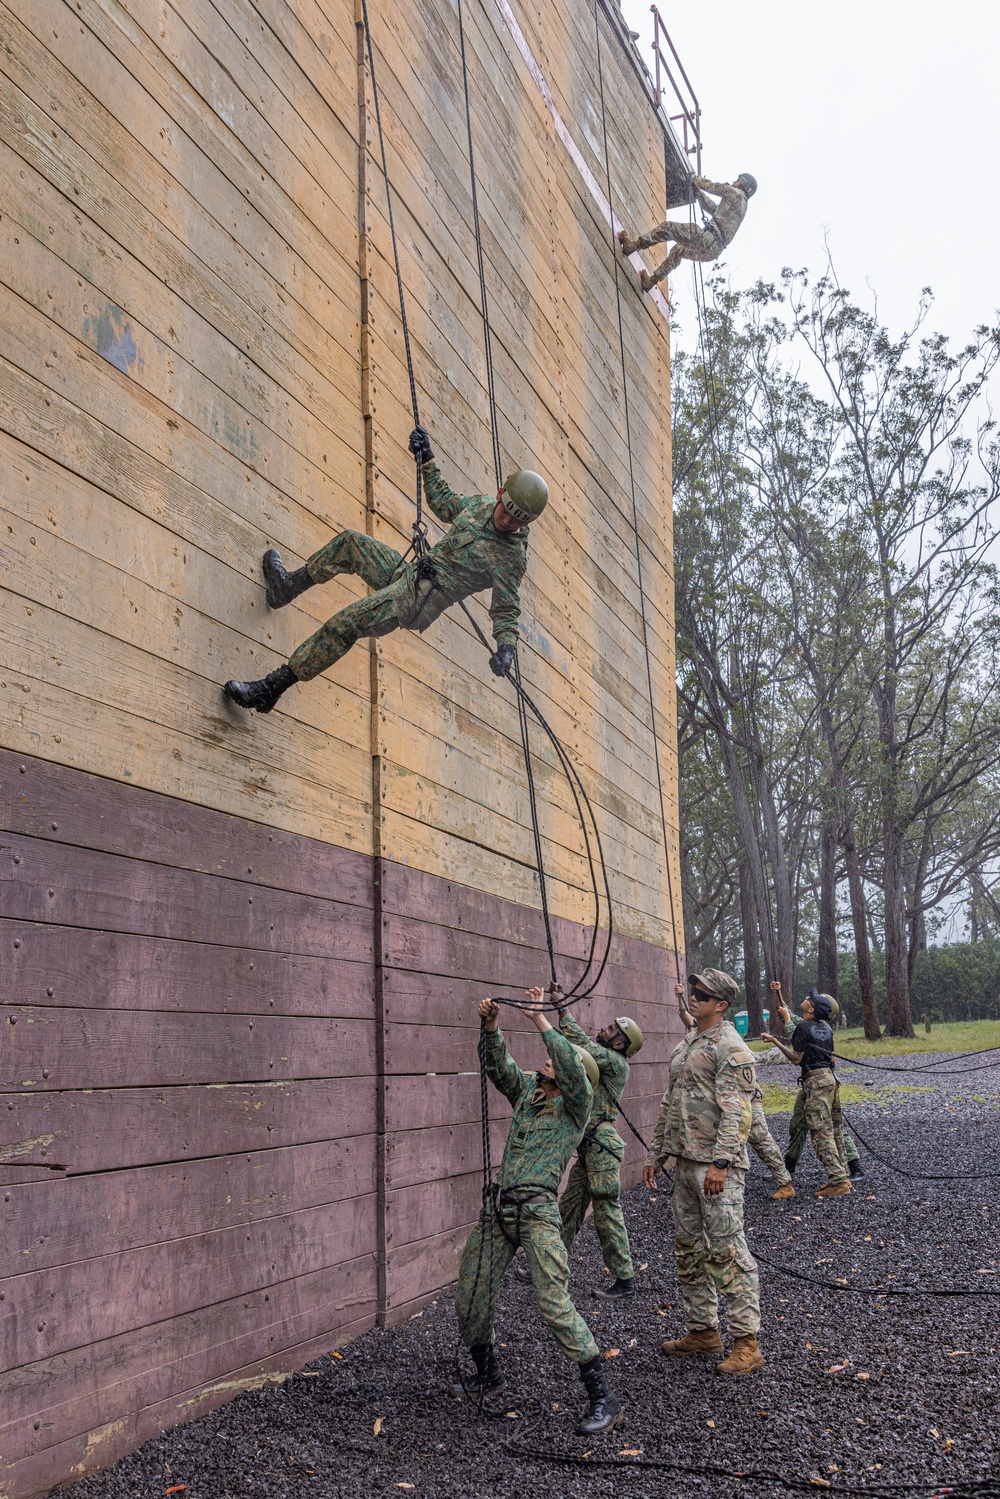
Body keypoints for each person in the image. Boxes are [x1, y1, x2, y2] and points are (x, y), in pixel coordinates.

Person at [223, 426, 548, 714]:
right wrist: (427, 460)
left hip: (419, 601)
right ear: (500, 495)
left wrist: (506, 648)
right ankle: (287, 587)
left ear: (527, 522)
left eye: (518, 520)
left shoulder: (512, 557)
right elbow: (444, 503)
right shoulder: (480, 507)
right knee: (352, 544)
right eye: (507, 511)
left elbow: (506, 608)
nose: (508, 521)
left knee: (346, 623)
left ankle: (270, 690)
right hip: (409, 575)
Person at [452, 990, 622, 1436]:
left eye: (552, 1063)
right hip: (500, 1211)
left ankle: (603, 1396)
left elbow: (571, 1064)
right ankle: (488, 1372)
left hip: (539, 1214)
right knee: (471, 1292)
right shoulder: (529, 1091)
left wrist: (541, 1021)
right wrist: (492, 1027)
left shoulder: (576, 1108)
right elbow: (499, 1068)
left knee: (553, 1303)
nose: (544, 1063)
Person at [644, 969, 764, 1375]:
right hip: (685, 1162)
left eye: (702, 994)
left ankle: (747, 1342)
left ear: (721, 1005)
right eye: (693, 992)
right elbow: (670, 1101)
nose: (692, 997)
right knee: (689, 1249)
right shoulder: (690, 1042)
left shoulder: (730, 1047)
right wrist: (656, 1154)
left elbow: (738, 1110)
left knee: (727, 1251)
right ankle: (703, 1330)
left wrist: (722, 1161)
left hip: (716, 1167)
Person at [550, 1008, 644, 1299]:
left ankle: (624, 1279)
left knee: (606, 1210)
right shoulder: (608, 1059)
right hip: (591, 1146)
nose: (604, 1028)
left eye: (611, 1028)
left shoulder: (614, 1062)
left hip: (601, 1147)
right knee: (570, 1207)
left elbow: (582, 1046)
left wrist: (562, 1010)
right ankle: (549, 1267)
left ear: (618, 1044)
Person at [674, 983, 794, 1200]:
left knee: (759, 1138)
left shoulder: (726, 1039)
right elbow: (684, 1014)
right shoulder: (697, 1036)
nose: (694, 1000)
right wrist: (680, 997)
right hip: (721, 1105)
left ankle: (784, 1182)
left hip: (746, 1098)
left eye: (700, 997)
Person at [762, 986, 851, 1198]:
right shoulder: (826, 1028)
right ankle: (843, 1175)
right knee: (836, 1129)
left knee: (821, 1133)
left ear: (811, 1009)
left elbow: (796, 1059)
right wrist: (779, 995)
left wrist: (775, 1041)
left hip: (816, 1084)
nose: (805, 998)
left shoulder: (803, 1027)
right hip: (830, 1081)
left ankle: (838, 1182)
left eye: (809, 999)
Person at [618, 173, 757, 292]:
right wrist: (698, 194)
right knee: (679, 250)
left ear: (743, 185)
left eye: (737, 180)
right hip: (713, 251)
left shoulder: (735, 193)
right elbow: (713, 209)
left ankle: (633, 246)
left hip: (708, 238)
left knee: (668, 228)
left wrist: (693, 177)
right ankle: (651, 282)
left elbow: (712, 186)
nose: (734, 182)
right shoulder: (741, 206)